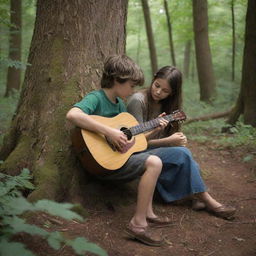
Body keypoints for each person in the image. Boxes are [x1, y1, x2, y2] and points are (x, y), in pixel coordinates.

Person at [66, 55, 172, 247]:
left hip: (116, 161)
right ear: (117, 80)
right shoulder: (96, 98)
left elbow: (133, 143)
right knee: (154, 162)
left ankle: (147, 213)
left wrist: (154, 130)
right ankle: (138, 225)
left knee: (150, 157)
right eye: (131, 86)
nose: (133, 91)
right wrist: (108, 131)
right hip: (100, 163)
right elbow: (73, 114)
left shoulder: (121, 106)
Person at [127, 66, 236, 219]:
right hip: (136, 152)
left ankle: (194, 197)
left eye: (165, 91)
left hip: (153, 151)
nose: (158, 92)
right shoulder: (138, 100)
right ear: (153, 79)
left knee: (187, 158)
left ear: (172, 93)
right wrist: (168, 141)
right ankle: (207, 200)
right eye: (157, 85)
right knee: (183, 154)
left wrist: (175, 139)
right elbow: (134, 142)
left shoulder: (167, 105)